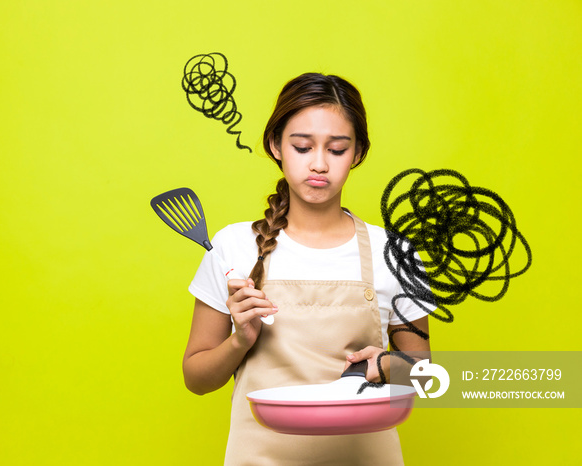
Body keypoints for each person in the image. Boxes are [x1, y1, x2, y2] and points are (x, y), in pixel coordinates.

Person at [184, 72, 431, 465]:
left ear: (358, 153)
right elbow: (196, 379)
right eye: (302, 147)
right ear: (275, 145)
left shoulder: (394, 252)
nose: (319, 164)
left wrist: (388, 366)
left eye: (337, 150)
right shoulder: (231, 247)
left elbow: (423, 376)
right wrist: (239, 341)